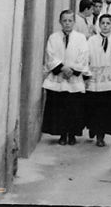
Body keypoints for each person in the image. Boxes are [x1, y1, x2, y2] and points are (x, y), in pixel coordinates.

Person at [41, 10, 89, 146]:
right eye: (64, 21)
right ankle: (62, 134)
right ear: (60, 22)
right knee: (59, 108)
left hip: (73, 78)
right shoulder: (53, 37)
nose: (67, 23)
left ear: (74, 22)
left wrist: (73, 70)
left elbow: (84, 55)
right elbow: (50, 55)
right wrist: (62, 68)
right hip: (59, 77)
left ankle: (72, 134)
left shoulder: (80, 38)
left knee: (73, 108)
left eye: (70, 21)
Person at [83, 14, 111, 147]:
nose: (105, 26)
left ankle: (101, 135)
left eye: (108, 23)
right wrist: (86, 74)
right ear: (99, 25)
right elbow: (85, 56)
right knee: (94, 108)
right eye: (102, 23)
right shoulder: (92, 40)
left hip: (109, 79)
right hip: (95, 78)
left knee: (105, 109)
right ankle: (93, 129)